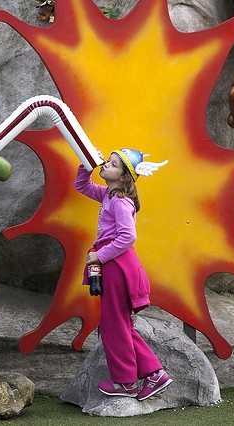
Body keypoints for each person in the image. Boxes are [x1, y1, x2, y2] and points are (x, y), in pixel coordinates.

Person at [74, 148, 172, 401]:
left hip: (118, 266)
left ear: (124, 177)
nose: (106, 164)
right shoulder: (108, 194)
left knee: (112, 326)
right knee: (122, 325)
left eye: (113, 164)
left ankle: (126, 383)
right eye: (107, 160)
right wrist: (87, 162)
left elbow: (128, 236)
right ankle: (154, 374)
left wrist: (101, 255)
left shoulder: (120, 201)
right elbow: (82, 186)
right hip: (116, 264)